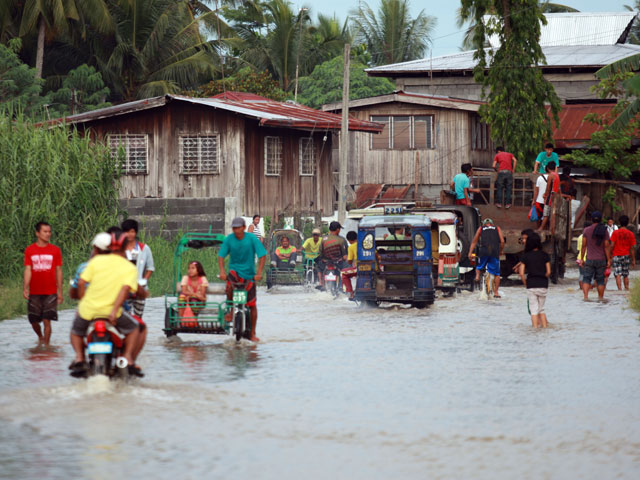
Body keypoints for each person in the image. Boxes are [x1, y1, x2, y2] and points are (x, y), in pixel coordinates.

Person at [69, 230, 143, 374]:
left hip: (88, 311)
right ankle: (127, 358)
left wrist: (82, 304)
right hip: (112, 312)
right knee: (134, 329)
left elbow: (82, 282)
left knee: (75, 331)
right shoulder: (128, 267)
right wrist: (115, 311)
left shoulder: (93, 263)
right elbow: (126, 289)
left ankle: (79, 357)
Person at [218, 217, 267, 342]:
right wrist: (222, 271)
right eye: (234, 228)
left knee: (252, 305)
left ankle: (253, 333)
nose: (236, 230)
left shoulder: (251, 239)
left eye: (238, 228)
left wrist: (259, 272)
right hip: (235, 272)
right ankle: (230, 310)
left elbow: (262, 255)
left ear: (244, 228)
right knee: (229, 285)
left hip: (249, 274)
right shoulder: (229, 239)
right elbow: (221, 256)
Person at [23, 221, 63, 346]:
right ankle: (40, 336)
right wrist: (25, 287)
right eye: (45, 232)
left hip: (50, 291)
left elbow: (58, 270)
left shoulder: (55, 250)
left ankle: (46, 346)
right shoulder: (30, 250)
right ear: (37, 233)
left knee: (47, 320)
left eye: (49, 231)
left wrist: (60, 291)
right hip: (35, 291)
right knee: (33, 320)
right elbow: (28, 269)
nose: (48, 234)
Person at [121, 219, 154, 318]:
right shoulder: (120, 249)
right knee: (126, 317)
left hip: (140, 288)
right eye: (127, 232)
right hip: (125, 287)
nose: (130, 234)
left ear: (135, 233)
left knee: (138, 316)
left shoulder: (144, 249)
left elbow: (150, 268)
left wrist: (144, 281)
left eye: (132, 231)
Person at [519, 232, 551, 328]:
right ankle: (545, 328)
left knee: (533, 309)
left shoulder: (525, 256)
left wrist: (526, 283)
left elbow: (521, 273)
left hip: (531, 285)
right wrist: (542, 278)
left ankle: (535, 329)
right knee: (541, 309)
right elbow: (548, 272)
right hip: (543, 285)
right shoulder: (545, 255)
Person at [468, 218, 505, 298]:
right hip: (494, 252)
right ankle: (496, 292)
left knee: (479, 266)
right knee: (497, 274)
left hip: (484, 251)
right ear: (492, 224)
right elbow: (502, 241)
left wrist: (470, 252)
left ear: (484, 224)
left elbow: (474, 241)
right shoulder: (497, 228)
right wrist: (500, 251)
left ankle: (477, 276)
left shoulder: (481, 229)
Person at [580, 211, 612, 301]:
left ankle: (586, 297)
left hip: (590, 258)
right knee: (600, 280)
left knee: (586, 278)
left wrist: (582, 259)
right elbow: (606, 245)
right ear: (601, 219)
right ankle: (600, 298)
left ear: (591, 219)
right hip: (601, 259)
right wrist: (609, 260)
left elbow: (584, 246)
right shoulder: (604, 230)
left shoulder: (586, 230)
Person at [317, 221, 348, 289]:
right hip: (338, 262)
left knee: (319, 268)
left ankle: (321, 283)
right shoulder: (342, 240)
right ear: (337, 229)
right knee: (346, 269)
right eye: (339, 229)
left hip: (325, 262)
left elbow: (319, 252)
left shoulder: (323, 239)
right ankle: (341, 286)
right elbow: (345, 254)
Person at [610, 215, 636, 291]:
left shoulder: (615, 233)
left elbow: (612, 245)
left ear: (619, 223)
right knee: (625, 274)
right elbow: (632, 248)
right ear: (627, 223)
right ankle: (627, 289)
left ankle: (619, 289)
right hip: (626, 255)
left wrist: (610, 255)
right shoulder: (630, 234)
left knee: (618, 274)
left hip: (616, 255)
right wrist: (633, 259)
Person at [538, 164, 560, 232]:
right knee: (553, 213)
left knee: (546, 213)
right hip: (556, 197)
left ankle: (541, 228)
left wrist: (545, 195)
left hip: (550, 197)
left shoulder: (550, 175)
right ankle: (551, 228)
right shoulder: (557, 176)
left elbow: (548, 187)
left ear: (547, 168)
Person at [341, 231, 358, 299]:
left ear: (349, 240)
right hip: (373, 268)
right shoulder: (365, 244)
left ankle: (350, 293)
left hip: (360, 269)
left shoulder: (351, 247)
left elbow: (350, 262)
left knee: (343, 273)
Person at [576, 221, 590, 290]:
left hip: (580, 258)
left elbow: (578, 249)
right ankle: (588, 288)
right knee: (590, 275)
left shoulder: (580, 237)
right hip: (588, 258)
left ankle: (581, 288)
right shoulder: (591, 237)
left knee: (581, 274)